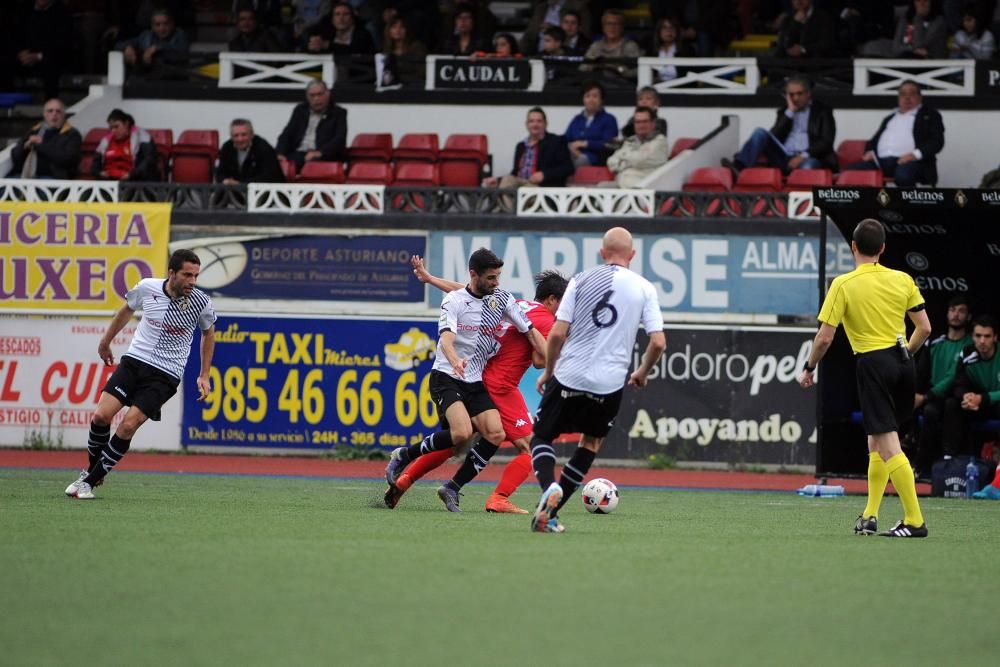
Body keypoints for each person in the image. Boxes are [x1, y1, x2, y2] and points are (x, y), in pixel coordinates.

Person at [386, 260, 569, 513]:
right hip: (500, 385)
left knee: (457, 441)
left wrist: (430, 279)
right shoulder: (547, 320)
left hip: (480, 377)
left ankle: (404, 482)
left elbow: (465, 290)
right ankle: (498, 498)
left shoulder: (517, 303)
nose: (565, 311)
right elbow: (540, 359)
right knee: (531, 446)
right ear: (551, 300)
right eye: (564, 302)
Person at [798, 219, 932, 538]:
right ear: (883, 249)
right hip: (902, 362)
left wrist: (809, 367)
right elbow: (925, 328)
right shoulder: (902, 279)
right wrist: (906, 355)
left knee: (888, 445)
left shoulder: (843, 284)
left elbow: (824, 338)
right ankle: (870, 515)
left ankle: (914, 520)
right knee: (876, 441)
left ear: (853, 247)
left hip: (873, 364)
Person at [529, 227, 666, 534]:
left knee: (541, 437)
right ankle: (551, 512)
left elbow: (558, 334)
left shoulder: (579, 280)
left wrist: (549, 371)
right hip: (609, 383)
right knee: (590, 442)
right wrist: (641, 373)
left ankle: (548, 488)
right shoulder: (644, 288)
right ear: (632, 255)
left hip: (569, 374)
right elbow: (658, 342)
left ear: (602, 253)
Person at [64, 249, 217, 500]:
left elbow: (208, 333)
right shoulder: (148, 288)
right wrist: (105, 342)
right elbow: (127, 310)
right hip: (134, 361)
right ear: (171, 273)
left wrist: (204, 374)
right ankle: (93, 472)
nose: (192, 281)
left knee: (127, 426)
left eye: (196, 275)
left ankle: (87, 483)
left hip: (165, 373)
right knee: (101, 416)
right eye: (187, 275)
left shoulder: (201, 302)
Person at [721, 74, 836, 175]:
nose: (795, 98)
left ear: (808, 93)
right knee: (760, 132)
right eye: (791, 94)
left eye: (799, 94)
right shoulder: (785, 112)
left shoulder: (823, 111)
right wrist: (790, 112)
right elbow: (774, 136)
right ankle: (739, 168)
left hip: (808, 157)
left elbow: (826, 141)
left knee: (808, 167)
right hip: (783, 157)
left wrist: (803, 156)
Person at [912, 295, 972, 478]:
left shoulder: (971, 345)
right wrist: (914, 395)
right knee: (928, 412)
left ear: (968, 317)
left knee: (951, 406)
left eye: (961, 311)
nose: (956, 315)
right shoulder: (935, 343)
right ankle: (920, 467)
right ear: (947, 314)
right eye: (953, 310)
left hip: (957, 396)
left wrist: (926, 396)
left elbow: (954, 377)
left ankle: (949, 465)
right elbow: (921, 374)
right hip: (933, 397)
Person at [847, 80, 945, 187]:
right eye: (903, 94)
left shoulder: (930, 115)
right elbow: (874, 141)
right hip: (880, 163)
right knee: (850, 172)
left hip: (912, 162)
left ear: (920, 97)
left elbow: (936, 141)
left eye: (912, 93)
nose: (907, 97)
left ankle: (907, 203)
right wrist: (870, 152)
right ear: (898, 98)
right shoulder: (890, 118)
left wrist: (914, 155)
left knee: (903, 174)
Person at [939, 315, 1000, 460]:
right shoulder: (967, 353)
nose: (982, 341)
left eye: (987, 336)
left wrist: (982, 398)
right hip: (975, 405)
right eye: (978, 336)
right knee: (952, 404)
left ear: (995, 338)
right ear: (972, 336)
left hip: (995, 404)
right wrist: (966, 396)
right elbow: (959, 383)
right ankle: (949, 459)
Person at [483, 107, 573, 189]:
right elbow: (515, 173)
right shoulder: (520, 146)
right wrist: (498, 180)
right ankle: (510, 207)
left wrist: (544, 175)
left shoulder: (556, 142)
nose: (535, 124)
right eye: (531, 121)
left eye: (539, 121)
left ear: (546, 124)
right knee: (505, 181)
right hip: (520, 183)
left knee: (521, 191)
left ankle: (511, 207)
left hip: (540, 187)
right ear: (526, 125)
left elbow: (568, 168)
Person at [275, 79, 347, 170]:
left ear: (328, 94)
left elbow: (339, 140)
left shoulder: (338, 113)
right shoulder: (300, 110)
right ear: (307, 97)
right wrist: (280, 153)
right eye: (312, 95)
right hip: (298, 154)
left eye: (319, 94)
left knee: (313, 162)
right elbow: (287, 133)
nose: (316, 99)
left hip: (322, 156)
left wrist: (320, 152)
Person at [6, 98, 82, 180]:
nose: (54, 114)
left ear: (64, 115)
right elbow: (15, 156)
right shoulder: (35, 130)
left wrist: (42, 145)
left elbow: (68, 160)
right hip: (25, 175)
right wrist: (24, 147)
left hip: (54, 178)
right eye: (50, 111)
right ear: (44, 114)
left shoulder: (72, 134)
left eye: (58, 111)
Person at [11, 0, 72, 100]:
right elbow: (16, 36)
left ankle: (50, 106)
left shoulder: (62, 13)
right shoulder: (25, 10)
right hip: (26, 57)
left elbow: (63, 46)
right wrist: (20, 53)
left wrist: (38, 56)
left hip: (49, 58)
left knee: (51, 67)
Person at [602, 107, 669, 188]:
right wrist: (631, 160)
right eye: (638, 122)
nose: (641, 125)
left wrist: (623, 160)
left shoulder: (660, 140)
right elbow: (611, 161)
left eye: (645, 121)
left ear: (653, 124)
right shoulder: (631, 140)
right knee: (600, 187)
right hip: (623, 183)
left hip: (646, 186)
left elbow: (640, 160)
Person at [91, 109, 160, 181]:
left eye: (116, 126)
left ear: (126, 124)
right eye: (111, 128)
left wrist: (132, 175)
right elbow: (96, 163)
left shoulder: (142, 137)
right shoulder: (106, 141)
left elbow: (149, 161)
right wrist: (99, 173)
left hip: (134, 180)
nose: (113, 131)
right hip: (108, 181)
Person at [564, 81, 619, 168]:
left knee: (573, 164)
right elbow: (566, 139)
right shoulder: (577, 119)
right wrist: (572, 149)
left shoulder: (609, 119)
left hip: (595, 159)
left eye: (595, 96)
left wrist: (585, 144)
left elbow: (608, 145)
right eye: (587, 96)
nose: (591, 100)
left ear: (601, 100)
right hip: (572, 154)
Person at [118, 7, 191, 71]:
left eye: (166, 24)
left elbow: (180, 50)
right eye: (157, 25)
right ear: (152, 26)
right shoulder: (146, 35)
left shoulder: (180, 34)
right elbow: (120, 44)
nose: (162, 28)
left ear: (172, 24)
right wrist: (127, 47)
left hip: (174, 80)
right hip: (148, 79)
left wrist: (157, 47)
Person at [217, 118, 284, 184]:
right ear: (231, 136)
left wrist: (241, 184)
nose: (240, 139)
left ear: (252, 134)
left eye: (244, 135)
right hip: (235, 191)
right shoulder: (227, 147)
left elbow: (270, 176)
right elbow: (220, 173)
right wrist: (225, 181)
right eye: (236, 135)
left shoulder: (264, 148)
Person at [581, 9, 641, 79]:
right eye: (608, 24)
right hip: (598, 84)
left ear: (622, 28)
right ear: (603, 27)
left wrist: (620, 70)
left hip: (622, 86)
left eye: (616, 24)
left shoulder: (630, 46)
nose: (612, 27)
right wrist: (595, 67)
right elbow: (582, 67)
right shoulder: (596, 46)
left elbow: (638, 71)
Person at [520, 0, 590, 54]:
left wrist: (554, 31)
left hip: (564, 53)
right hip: (538, 54)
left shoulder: (577, 6)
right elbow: (530, 33)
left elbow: (586, 31)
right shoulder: (541, 8)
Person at [650, 16, 693, 83]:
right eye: (664, 27)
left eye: (672, 27)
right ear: (659, 32)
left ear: (677, 31)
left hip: (680, 89)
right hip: (656, 89)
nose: (669, 31)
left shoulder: (687, 50)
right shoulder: (652, 50)